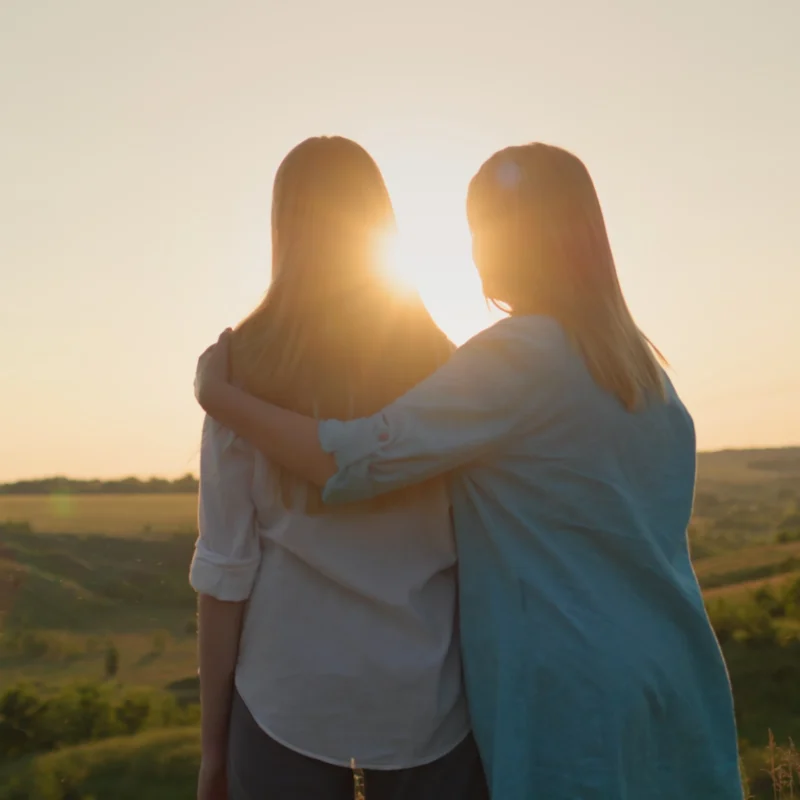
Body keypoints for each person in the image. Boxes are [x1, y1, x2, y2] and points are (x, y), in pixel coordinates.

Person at [193, 141, 745, 799]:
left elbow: (355, 458)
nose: (475, 250)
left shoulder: (517, 359)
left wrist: (222, 398)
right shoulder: (647, 376)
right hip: (676, 671)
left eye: (482, 228)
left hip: (568, 690)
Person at [189, 136, 487, 800]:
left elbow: (225, 574)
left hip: (284, 707)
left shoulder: (240, 374)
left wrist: (213, 752)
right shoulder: (447, 369)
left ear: (282, 229)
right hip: (428, 708)